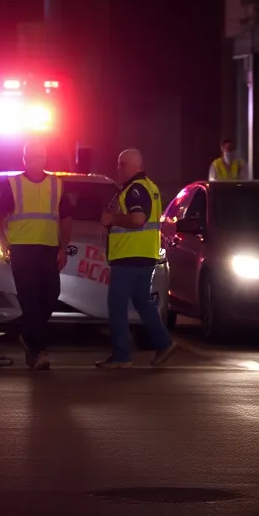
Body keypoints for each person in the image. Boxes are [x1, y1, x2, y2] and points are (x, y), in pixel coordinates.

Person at [0, 140, 73, 371]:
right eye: (33, 157)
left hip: (48, 248)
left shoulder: (56, 184)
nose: (38, 161)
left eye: (41, 156)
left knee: (51, 295)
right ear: (25, 160)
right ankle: (39, 351)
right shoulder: (14, 184)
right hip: (22, 249)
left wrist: (63, 247)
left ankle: (28, 336)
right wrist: (3, 240)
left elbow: (66, 218)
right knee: (31, 300)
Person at [97, 149, 177, 369]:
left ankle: (121, 355)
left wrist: (112, 219)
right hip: (145, 254)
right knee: (142, 301)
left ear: (131, 165)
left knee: (117, 304)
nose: (117, 168)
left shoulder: (135, 189)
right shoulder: (150, 187)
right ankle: (164, 343)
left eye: (120, 164)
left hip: (129, 255)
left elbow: (138, 219)